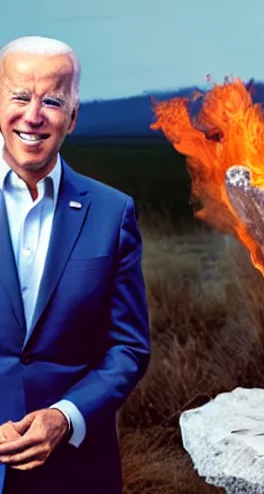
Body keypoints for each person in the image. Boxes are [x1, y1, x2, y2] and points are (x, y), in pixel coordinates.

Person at [0, 36, 151, 493]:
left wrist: (65, 418)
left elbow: (128, 347)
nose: (33, 115)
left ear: (73, 116)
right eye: (20, 97)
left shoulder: (112, 212)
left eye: (52, 100)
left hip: (78, 472)